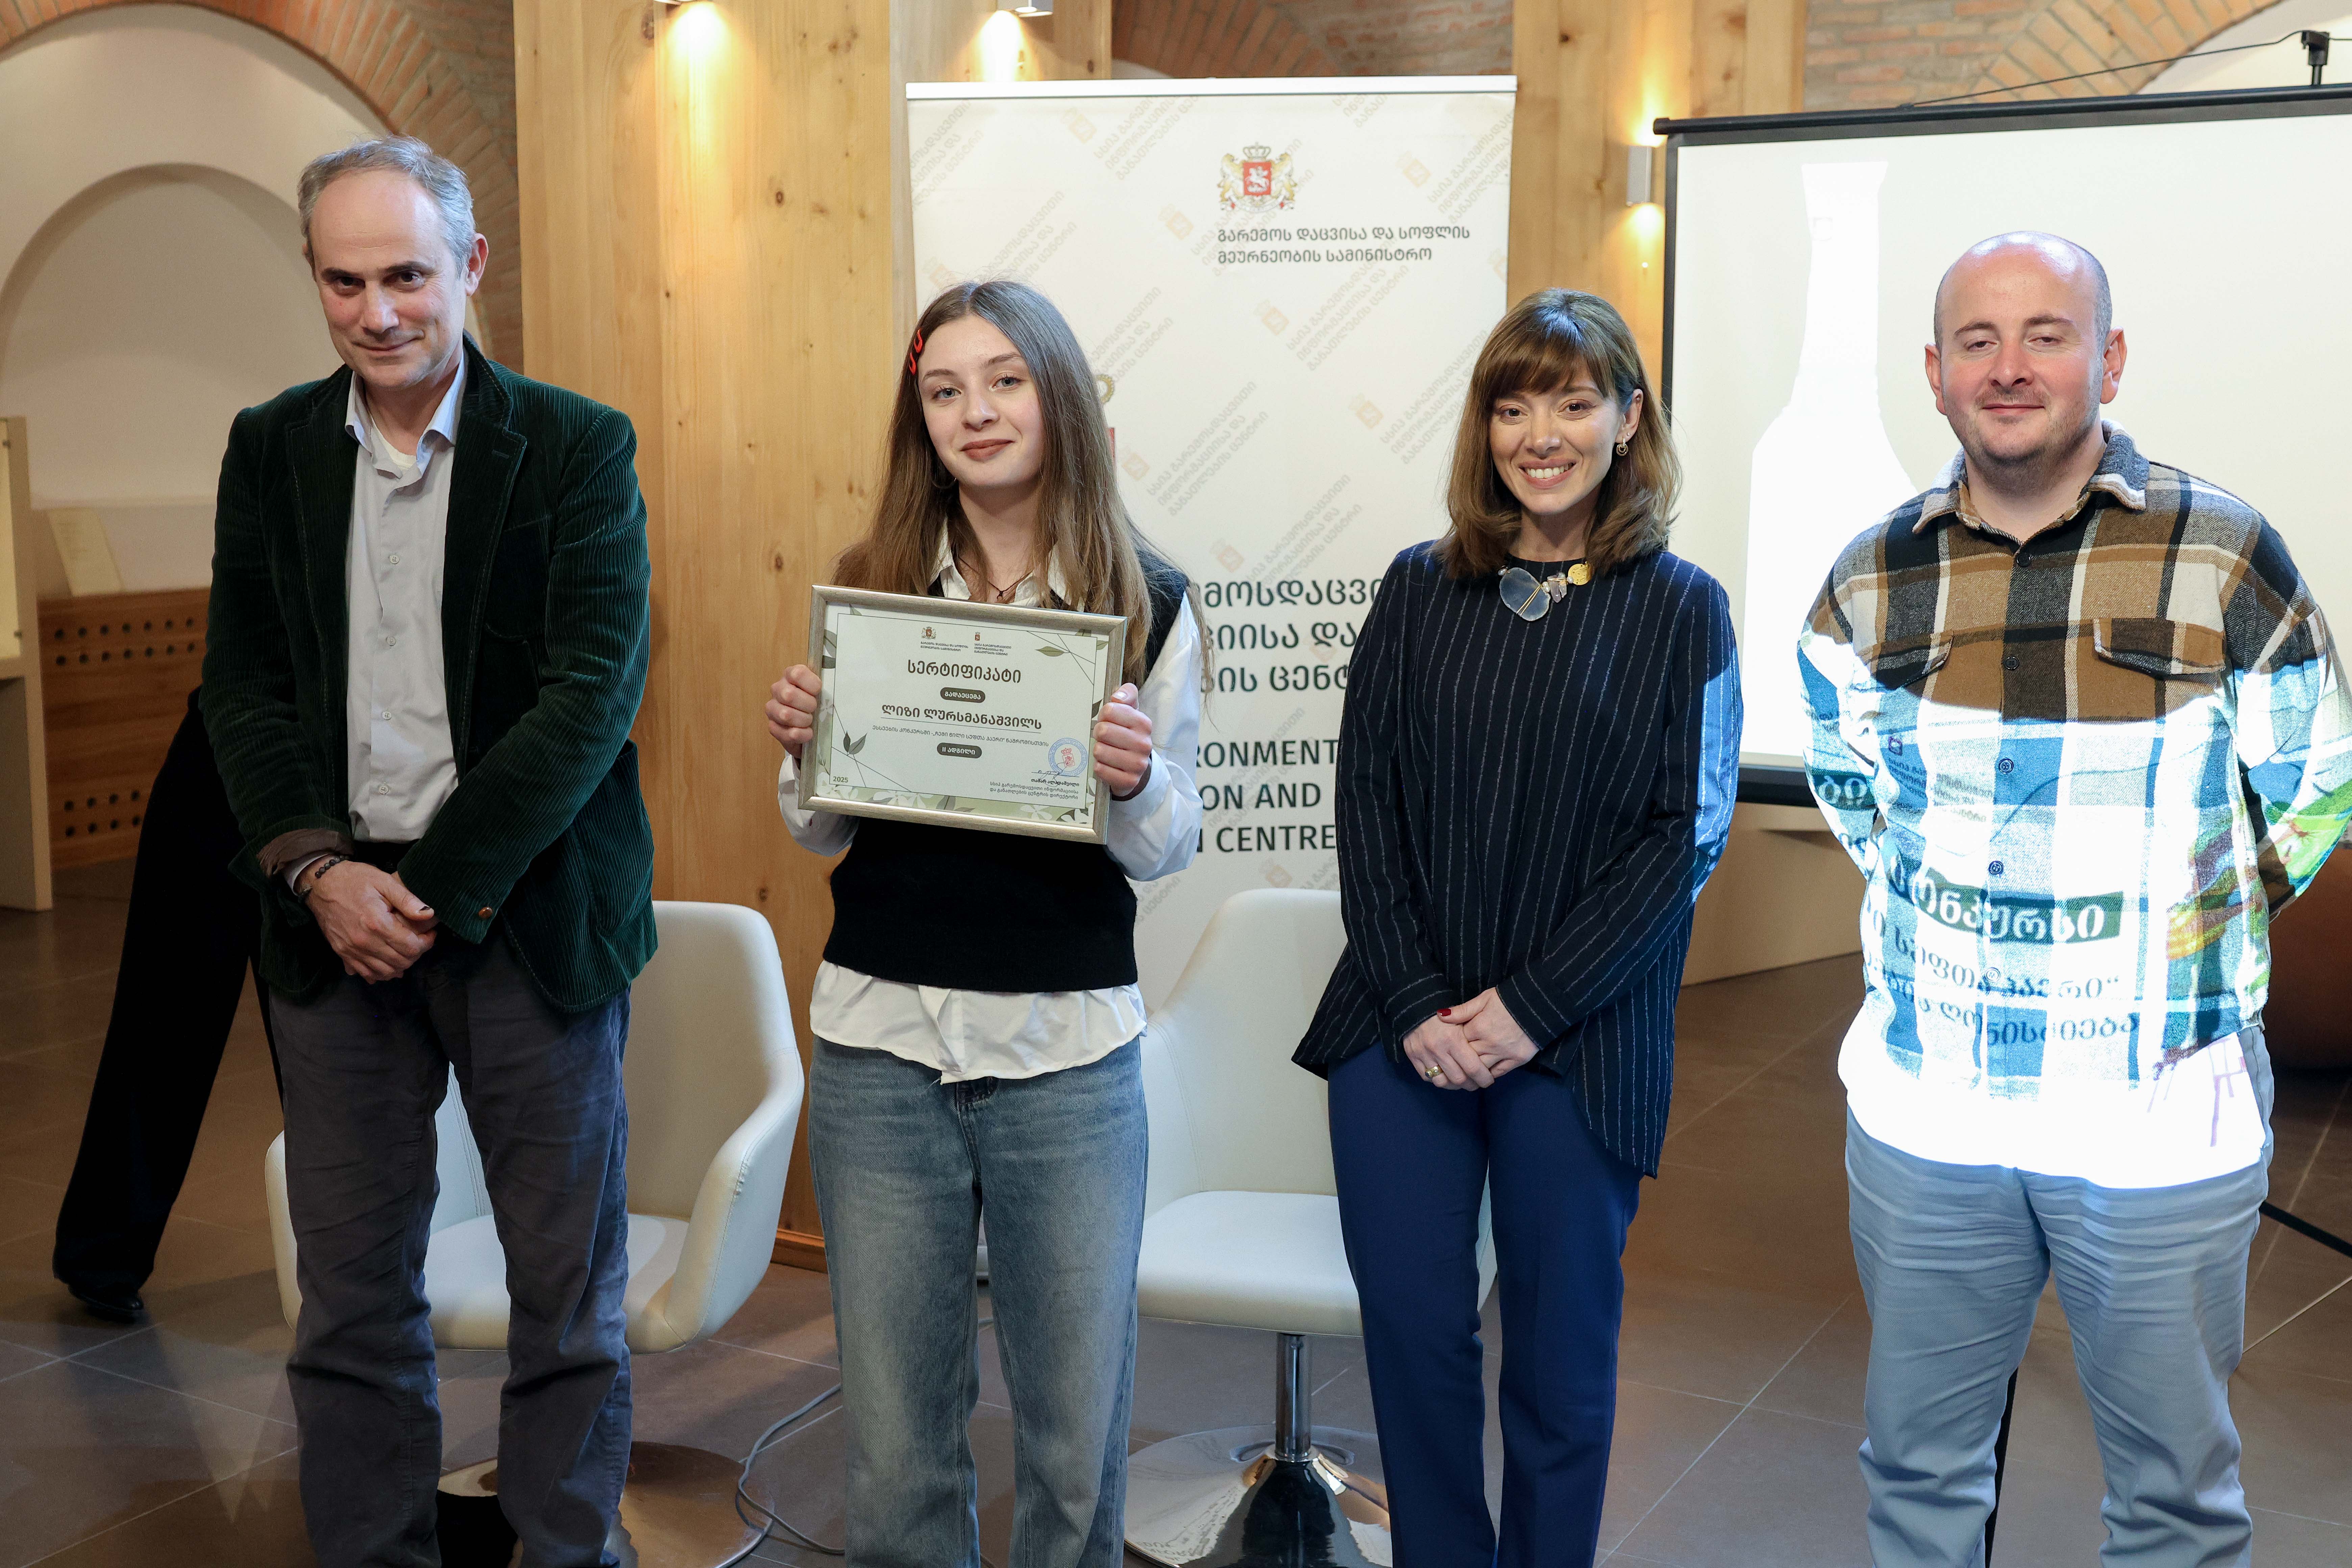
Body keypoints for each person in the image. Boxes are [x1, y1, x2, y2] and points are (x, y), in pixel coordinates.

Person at [1799, 232, 2352, 1568]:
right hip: (1930, 1112)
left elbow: (2316, 788)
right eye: (1977, 340)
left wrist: (2183, 937)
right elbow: (1855, 795)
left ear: (2108, 360)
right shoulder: (1870, 578)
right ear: (1935, 374)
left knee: (2175, 1502)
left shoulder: (2226, 555)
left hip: (2158, 1118)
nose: (2010, 367)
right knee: (1919, 1475)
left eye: (2046, 334)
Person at [201, 136, 655, 1568]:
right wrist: (319, 874)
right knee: (347, 1300)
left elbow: (589, 696)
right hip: (330, 928)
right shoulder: (270, 446)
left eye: (406, 274)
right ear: (314, 278)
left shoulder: (576, 447)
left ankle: (566, 1552)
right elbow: (244, 687)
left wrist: (432, 890)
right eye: (345, 282)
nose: (378, 311)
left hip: (524, 915)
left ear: (470, 265)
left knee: (565, 1299)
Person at [1294, 289, 1740, 1568]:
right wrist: (1420, 1004)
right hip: (1404, 1025)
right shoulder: (1417, 588)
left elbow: (1687, 836)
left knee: (1559, 1362)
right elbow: (1367, 805)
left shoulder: (1685, 607)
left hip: (1582, 1039)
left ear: (1629, 419)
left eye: (1573, 402)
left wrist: (1526, 1012)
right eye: (1513, 406)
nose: (1541, 435)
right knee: (1414, 1340)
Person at [763, 278, 1203, 1568]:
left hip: (1067, 1059)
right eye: (946, 390)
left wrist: (1136, 780)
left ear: (1058, 394)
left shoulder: (1150, 596)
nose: (978, 411)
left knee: (1074, 1446)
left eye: (1006, 380)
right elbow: (821, 832)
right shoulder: (872, 587)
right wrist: (803, 752)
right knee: (897, 1447)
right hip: (880, 1048)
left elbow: (1167, 846)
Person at [52, 689, 277, 1324]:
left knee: (332, 1045)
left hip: (338, 774)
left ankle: (366, 1260)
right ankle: (103, 1248)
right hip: (227, 749)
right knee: (164, 1018)